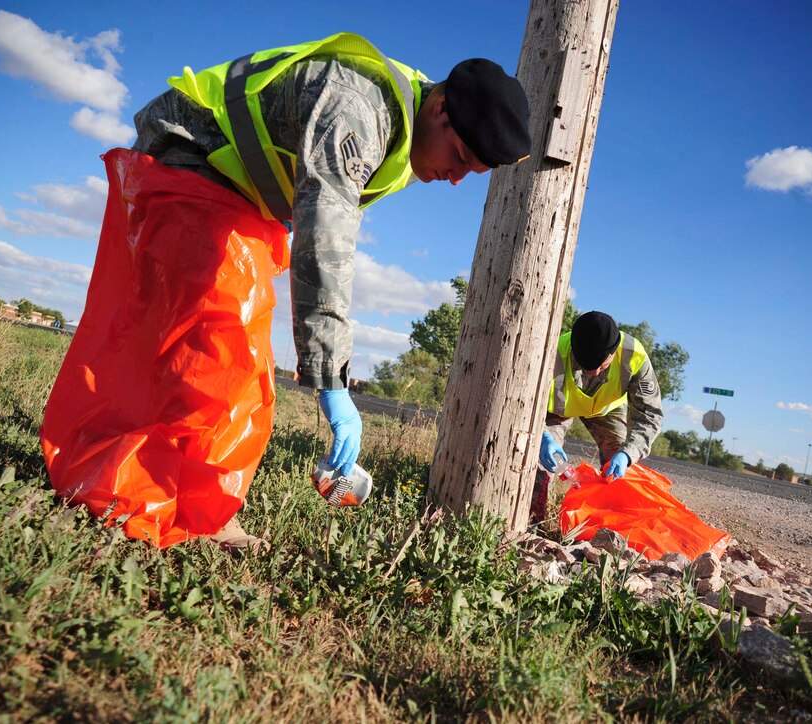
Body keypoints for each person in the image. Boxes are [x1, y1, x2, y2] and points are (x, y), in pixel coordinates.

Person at [40, 32, 530, 548]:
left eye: (471, 173)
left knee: (207, 348)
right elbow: (326, 236)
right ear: (440, 108)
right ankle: (172, 509)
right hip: (194, 158)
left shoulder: (411, 138)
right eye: (459, 157)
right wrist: (332, 381)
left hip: (232, 191)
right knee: (222, 349)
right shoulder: (357, 109)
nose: (456, 179)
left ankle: (156, 493)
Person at [532, 311, 664, 525]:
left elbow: (649, 415)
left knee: (620, 470)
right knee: (541, 467)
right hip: (557, 411)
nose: (593, 373)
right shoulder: (552, 352)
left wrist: (628, 454)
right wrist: (541, 436)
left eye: (602, 367)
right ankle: (535, 523)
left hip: (607, 410)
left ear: (615, 350)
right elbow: (524, 403)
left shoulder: (634, 356)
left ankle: (612, 525)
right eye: (585, 367)